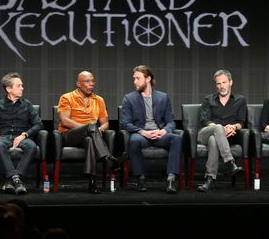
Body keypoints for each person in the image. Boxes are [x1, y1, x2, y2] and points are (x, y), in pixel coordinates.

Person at [57, 71, 124, 194]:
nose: (91, 84)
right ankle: (109, 159)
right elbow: (64, 120)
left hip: (91, 135)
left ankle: (92, 182)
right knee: (91, 127)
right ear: (78, 84)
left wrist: (100, 129)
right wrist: (88, 128)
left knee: (90, 141)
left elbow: (106, 123)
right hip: (70, 135)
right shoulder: (67, 97)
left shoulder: (99, 100)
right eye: (87, 81)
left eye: (93, 81)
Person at [120, 65, 183, 194]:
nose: (135, 82)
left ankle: (171, 179)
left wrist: (163, 131)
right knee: (133, 141)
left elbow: (171, 122)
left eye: (138, 78)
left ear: (148, 79)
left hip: (159, 133)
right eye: (134, 79)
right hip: (142, 134)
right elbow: (125, 123)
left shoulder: (163, 97)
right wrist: (143, 132)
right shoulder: (129, 98)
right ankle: (140, 178)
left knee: (176, 139)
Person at [0, 72, 44, 195]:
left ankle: (13, 179)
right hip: (4, 137)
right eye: (19, 86)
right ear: (8, 89)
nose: (22, 88)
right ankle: (17, 180)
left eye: (21, 85)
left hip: (21, 136)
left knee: (32, 146)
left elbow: (39, 124)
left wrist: (24, 135)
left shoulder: (27, 105)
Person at [197, 69, 245, 192]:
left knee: (215, 140)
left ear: (231, 82)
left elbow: (241, 122)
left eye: (224, 82)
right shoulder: (208, 99)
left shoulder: (240, 100)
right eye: (218, 83)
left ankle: (210, 179)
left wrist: (234, 127)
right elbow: (205, 121)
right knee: (216, 129)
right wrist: (222, 128)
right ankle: (230, 162)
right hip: (205, 134)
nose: (221, 86)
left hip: (228, 137)